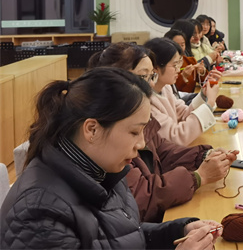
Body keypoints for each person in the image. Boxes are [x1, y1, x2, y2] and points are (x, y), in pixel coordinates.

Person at [0, 67, 222, 249]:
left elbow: (122, 236)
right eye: (134, 132)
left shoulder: (102, 169)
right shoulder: (40, 215)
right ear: (92, 129)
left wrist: (178, 231)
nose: (141, 144)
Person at [90, 42, 236, 223]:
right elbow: (140, 196)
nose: (151, 83)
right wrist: (198, 177)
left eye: (151, 76)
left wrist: (203, 156)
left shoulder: (145, 104)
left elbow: (164, 150)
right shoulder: (111, 128)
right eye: (144, 76)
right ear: (117, 78)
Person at [143, 38, 219, 146]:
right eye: (175, 65)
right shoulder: (146, 101)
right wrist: (209, 104)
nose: (178, 70)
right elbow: (175, 137)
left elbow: (184, 115)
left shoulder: (166, 88)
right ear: (155, 68)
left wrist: (203, 94)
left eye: (179, 63)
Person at [164, 29, 206, 95]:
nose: (180, 48)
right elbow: (171, 90)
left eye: (182, 45)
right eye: (176, 45)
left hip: (190, 97)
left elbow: (204, 82)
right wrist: (183, 77)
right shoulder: (165, 65)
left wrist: (202, 71)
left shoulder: (190, 61)